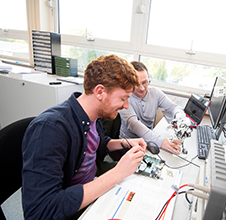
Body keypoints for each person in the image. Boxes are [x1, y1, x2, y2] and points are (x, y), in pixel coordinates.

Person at [21, 54, 147, 220]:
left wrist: (124, 143)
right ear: (100, 91)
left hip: (93, 181)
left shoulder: (92, 116)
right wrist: (117, 173)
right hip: (72, 206)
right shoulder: (50, 130)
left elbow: (95, 144)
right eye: (123, 98)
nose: (126, 106)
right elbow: (41, 211)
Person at [119, 61, 184, 155]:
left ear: (148, 77)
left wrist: (179, 118)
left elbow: (174, 107)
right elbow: (134, 124)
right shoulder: (124, 98)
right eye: (137, 84)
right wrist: (161, 142)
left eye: (145, 82)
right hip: (129, 145)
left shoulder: (155, 93)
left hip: (149, 140)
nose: (141, 88)